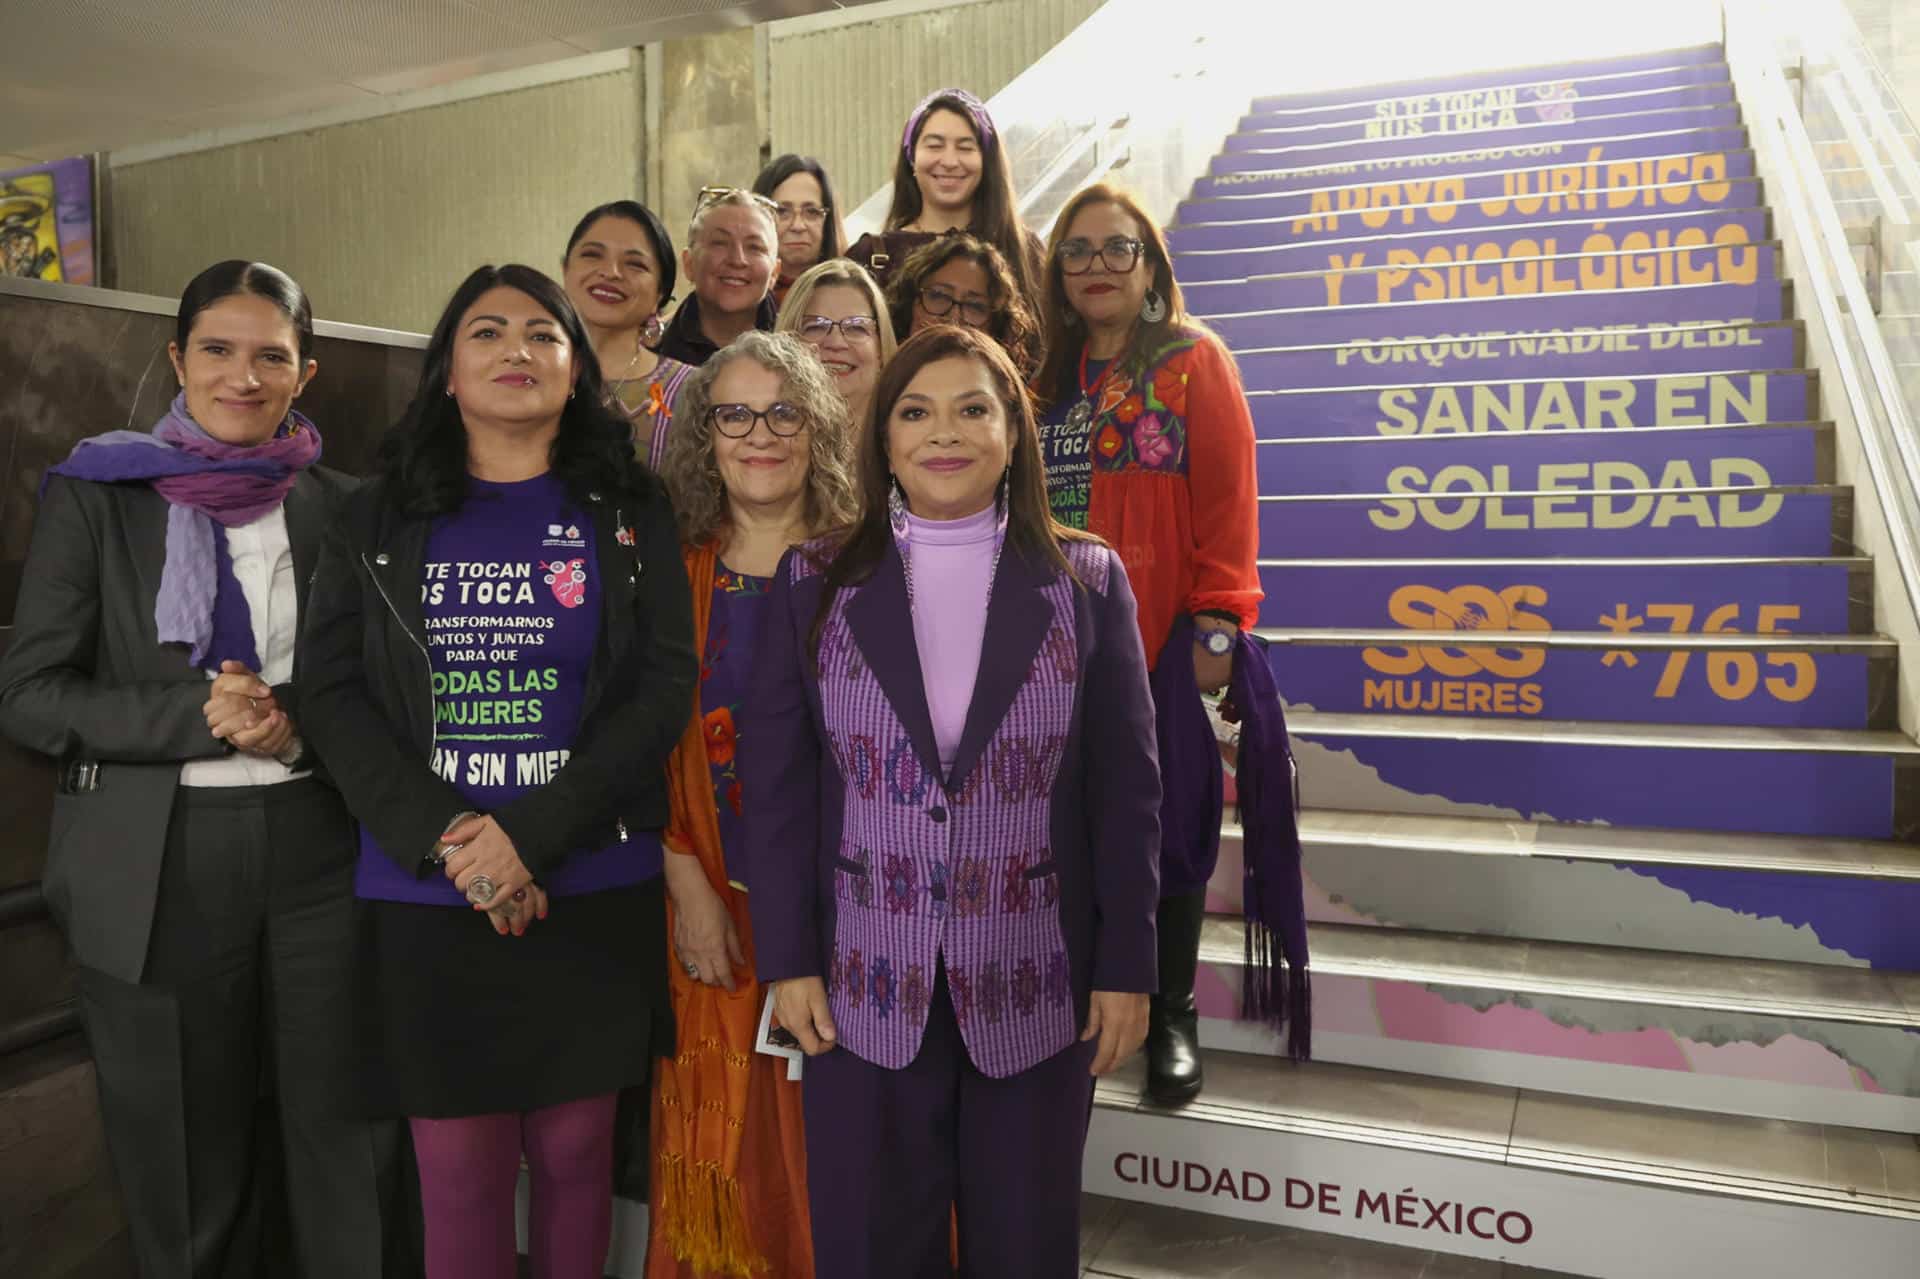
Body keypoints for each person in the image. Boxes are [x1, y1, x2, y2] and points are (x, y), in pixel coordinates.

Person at [298, 263, 697, 1279]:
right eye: (487, 332)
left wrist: (530, 836)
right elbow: (332, 693)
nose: (516, 350)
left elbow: (661, 686)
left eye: (541, 334)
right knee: (461, 1165)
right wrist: (456, 841)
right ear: (447, 371)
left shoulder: (629, 508)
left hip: (592, 879)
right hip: (428, 890)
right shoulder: (376, 517)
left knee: (574, 1154)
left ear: (575, 372)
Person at [0, 260, 397, 1277]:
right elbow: (31, 692)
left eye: (272, 354)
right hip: (157, 857)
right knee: (184, 1158)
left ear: (304, 371)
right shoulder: (98, 494)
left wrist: (295, 725)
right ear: (178, 358)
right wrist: (198, 716)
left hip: (323, 853)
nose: (243, 374)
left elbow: (390, 691)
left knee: (347, 1136)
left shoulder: (353, 511)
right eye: (218, 349)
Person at [742, 325, 1163, 1278]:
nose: (946, 432)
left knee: (1025, 1244)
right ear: (882, 438)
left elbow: (1128, 793)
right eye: (916, 411)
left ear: (1013, 429)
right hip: (859, 983)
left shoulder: (1086, 580)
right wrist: (790, 958)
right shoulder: (813, 582)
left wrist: (1130, 964)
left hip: (1037, 980)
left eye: (974, 407)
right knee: (872, 1246)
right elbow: (778, 791)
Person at [1034, 183, 1309, 1104]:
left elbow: (1231, 506)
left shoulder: (1197, 362)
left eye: (1117, 249)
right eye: (1077, 251)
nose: (1097, 267)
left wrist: (1220, 623)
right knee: (1071, 827)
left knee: (1168, 830)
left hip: (1160, 641)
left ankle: (1172, 1011)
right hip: (1051, 647)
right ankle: (1083, 995)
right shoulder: (1041, 379)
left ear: (1150, 262)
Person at [646, 331, 859, 1278]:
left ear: (818, 429)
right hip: (711, 905)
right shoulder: (674, 573)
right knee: (722, 1165)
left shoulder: (868, 568)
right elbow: (637, 740)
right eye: (735, 413)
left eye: (784, 411)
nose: (759, 434)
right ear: (705, 436)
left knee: (842, 1159)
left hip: (855, 912)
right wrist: (683, 874)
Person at [845, 88, 1045, 310]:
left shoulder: (1024, 251)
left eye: (965, 147)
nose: (950, 161)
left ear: (985, 162)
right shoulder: (871, 256)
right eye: (934, 146)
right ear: (911, 157)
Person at [561, 198, 697, 466]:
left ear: (660, 293)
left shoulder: (692, 390)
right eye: (592, 255)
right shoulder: (531, 372)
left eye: (635, 264)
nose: (610, 273)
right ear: (565, 270)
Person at [656, 188, 780, 369]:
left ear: (775, 273)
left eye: (754, 247)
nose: (737, 260)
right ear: (688, 263)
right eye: (719, 243)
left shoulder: (800, 350)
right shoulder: (653, 350)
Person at [883, 233, 1039, 374]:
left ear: (995, 329)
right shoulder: (875, 388)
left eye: (975, 306)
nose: (954, 317)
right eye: (939, 296)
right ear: (910, 303)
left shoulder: (1006, 399)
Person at [775, 257, 896, 431]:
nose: (836, 342)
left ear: (880, 349)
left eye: (856, 327)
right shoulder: (763, 444)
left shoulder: (910, 447)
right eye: (816, 326)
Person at [752, 154, 847, 309]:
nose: (798, 226)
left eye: (811, 212)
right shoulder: (743, 295)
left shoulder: (849, 292)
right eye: (782, 211)